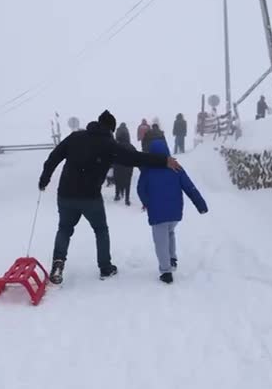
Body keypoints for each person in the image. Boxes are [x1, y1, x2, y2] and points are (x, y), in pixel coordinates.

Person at [39, 110, 182, 284]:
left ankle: (58, 263)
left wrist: (45, 178)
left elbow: (55, 156)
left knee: (64, 229)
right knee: (100, 230)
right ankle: (105, 267)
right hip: (90, 197)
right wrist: (164, 160)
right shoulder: (108, 144)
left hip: (66, 194)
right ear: (111, 129)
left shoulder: (75, 137)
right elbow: (134, 158)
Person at [137, 139, 208, 284]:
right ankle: (172, 258)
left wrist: (146, 202)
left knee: (160, 241)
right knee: (170, 232)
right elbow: (190, 187)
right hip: (175, 212)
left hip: (157, 213)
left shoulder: (147, 170)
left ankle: (166, 271)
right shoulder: (176, 167)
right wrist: (200, 204)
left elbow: (140, 189)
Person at [113, 137, 136, 205]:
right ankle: (127, 199)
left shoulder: (116, 146)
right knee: (127, 183)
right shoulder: (131, 147)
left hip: (118, 167)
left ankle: (117, 195)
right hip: (128, 168)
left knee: (118, 181)